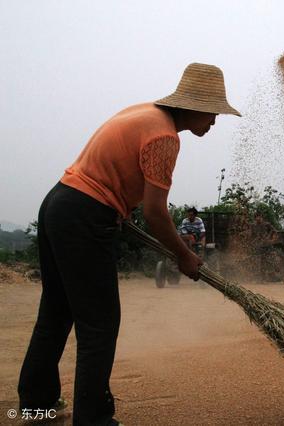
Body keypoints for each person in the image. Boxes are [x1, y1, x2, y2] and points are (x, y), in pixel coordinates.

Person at [18, 63, 240, 425]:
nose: (214, 121)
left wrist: (116, 210)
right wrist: (184, 255)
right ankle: (94, 419)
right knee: (99, 324)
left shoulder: (144, 112)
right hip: (84, 213)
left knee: (56, 312)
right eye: (214, 112)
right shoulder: (166, 137)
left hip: (60, 203)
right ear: (195, 105)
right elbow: (155, 211)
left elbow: (111, 172)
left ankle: (35, 402)